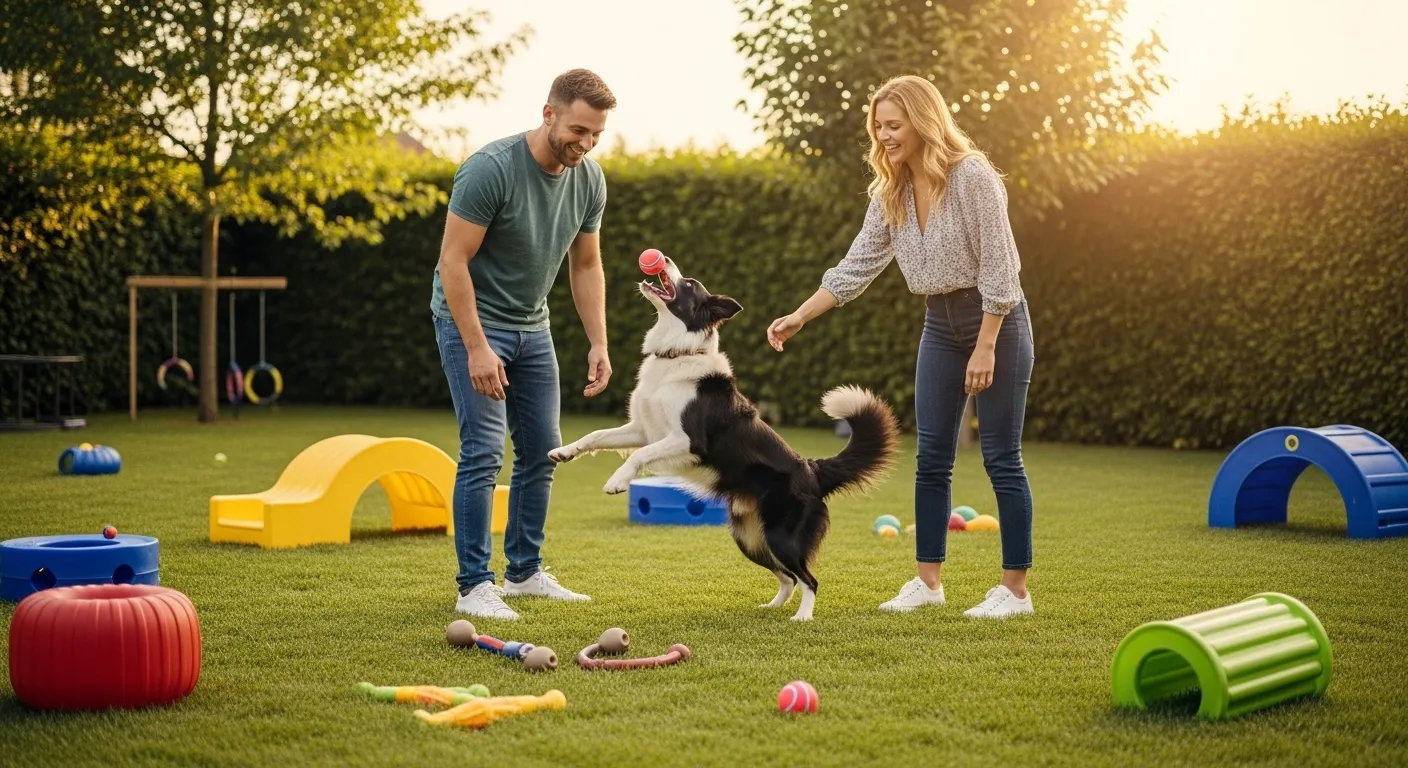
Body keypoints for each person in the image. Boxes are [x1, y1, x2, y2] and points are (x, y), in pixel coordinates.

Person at [767, 75, 1037, 619]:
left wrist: (985, 346)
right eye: (879, 127)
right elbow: (855, 267)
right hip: (939, 325)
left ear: (923, 120)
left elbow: (1000, 266)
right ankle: (928, 582)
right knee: (931, 460)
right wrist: (799, 315)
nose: (885, 136)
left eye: (894, 125)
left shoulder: (972, 176)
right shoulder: (890, 192)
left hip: (996, 322)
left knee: (1001, 458)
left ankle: (1014, 591)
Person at [430, 69, 616, 620]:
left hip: (533, 327)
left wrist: (598, 342)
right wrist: (477, 347)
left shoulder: (590, 180)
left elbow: (586, 265)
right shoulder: (490, 170)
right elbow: (452, 261)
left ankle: (525, 572)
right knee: (484, 450)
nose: (584, 144)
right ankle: (473, 586)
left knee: (543, 449)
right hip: (472, 322)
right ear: (549, 113)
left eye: (596, 135)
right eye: (578, 130)